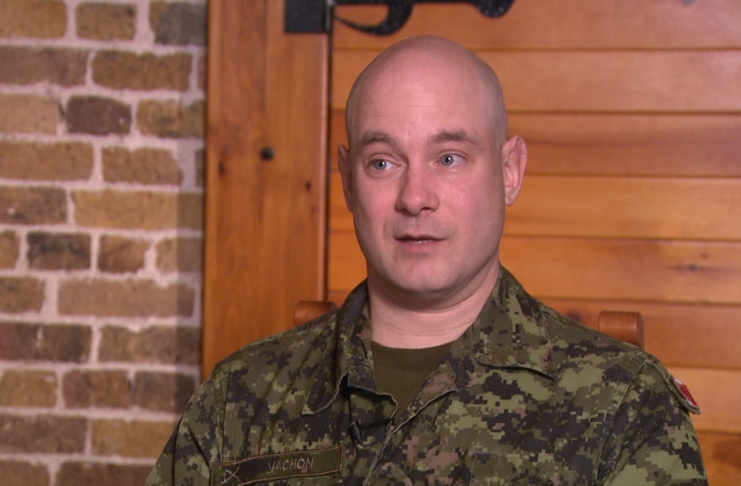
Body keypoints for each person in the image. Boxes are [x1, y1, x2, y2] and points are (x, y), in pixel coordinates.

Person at [145, 35, 707, 485]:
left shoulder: (622, 403)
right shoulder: (240, 396)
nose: (415, 197)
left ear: (509, 171)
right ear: (348, 181)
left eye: (449, 158)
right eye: (383, 163)